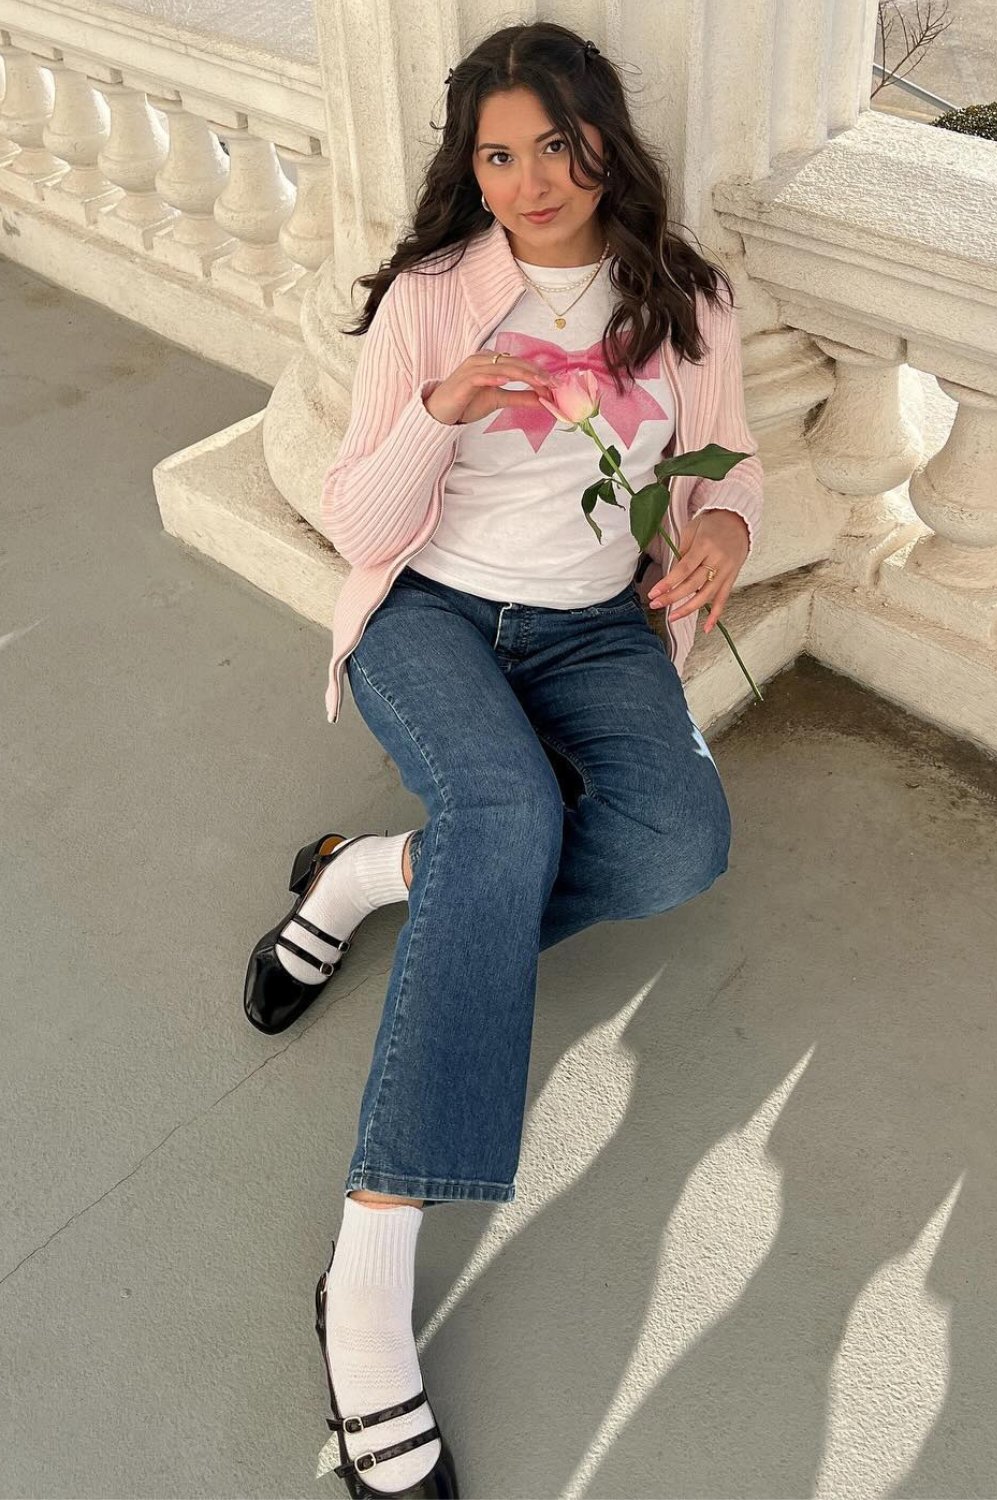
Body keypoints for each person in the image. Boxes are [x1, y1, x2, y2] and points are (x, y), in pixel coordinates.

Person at [244, 20, 763, 1497]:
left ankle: (364, 882)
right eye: (496, 153)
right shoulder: (432, 295)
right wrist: (439, 410)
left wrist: (724, 527)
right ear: (466, 168)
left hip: (596, 629)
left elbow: (726, 462)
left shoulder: (686, 298)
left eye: (555, 143)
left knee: (678, 844)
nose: (530, 179)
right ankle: (365, 1287)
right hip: (434, 610)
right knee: (506, 809)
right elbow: (358, 521)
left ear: (605, 137)